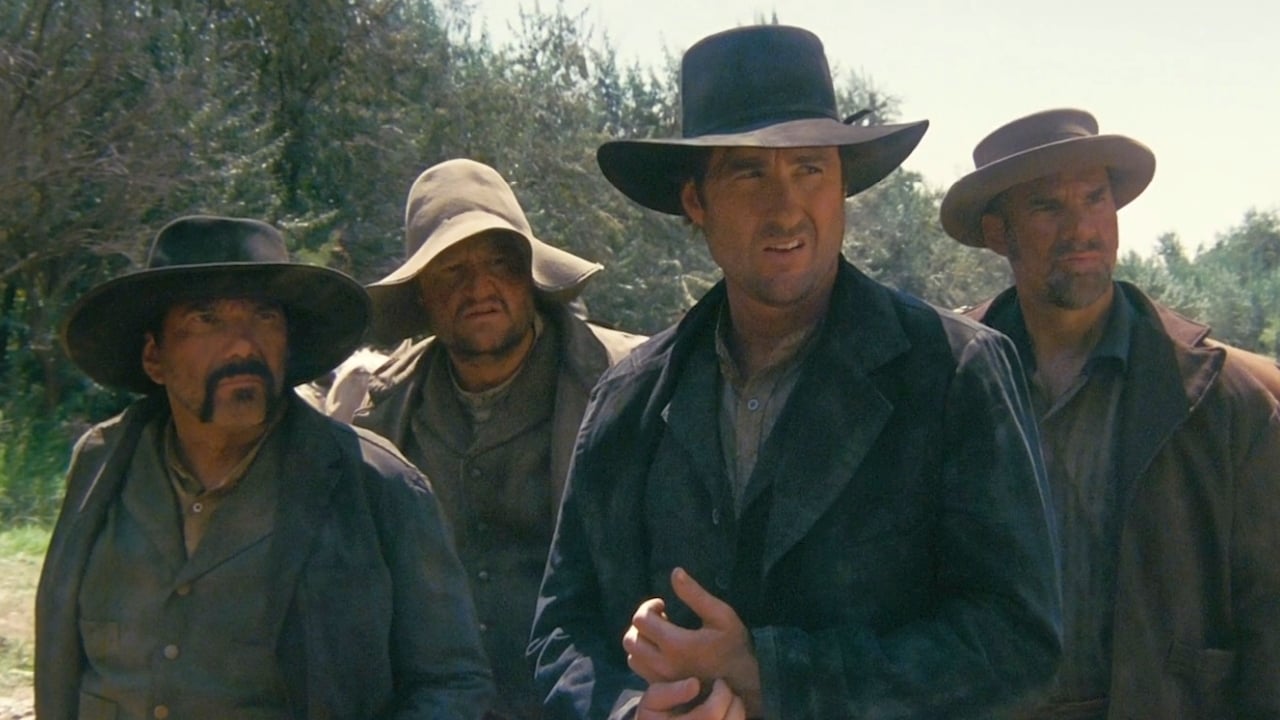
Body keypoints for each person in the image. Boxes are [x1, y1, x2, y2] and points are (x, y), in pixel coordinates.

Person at [528, 25, 1063, 720]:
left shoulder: (953, 372)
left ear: (842, 188)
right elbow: (561, 630)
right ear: (696, 202)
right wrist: (633, 710)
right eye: (748, 173)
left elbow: (1018, 640)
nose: (785, 208)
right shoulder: (628, 399)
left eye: (809, 169)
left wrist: (772, 674)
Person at [37, 215, 494, 719]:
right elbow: (59, 659)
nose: (243, 344)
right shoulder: (104, 465)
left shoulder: (377, 484)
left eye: (264, 317)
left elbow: (451, 683)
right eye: (206, 319)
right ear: (154, 357)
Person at [940, 108, 1280, 718]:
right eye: (1047, 206)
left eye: (1095, 199)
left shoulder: (1220, 401)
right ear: (998, 234)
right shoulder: (945, 380)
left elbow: (1270, 614)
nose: (1081, 229)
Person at [327, 158, 645, 719]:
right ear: (421, 293)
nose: (479, 288)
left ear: (529, 275)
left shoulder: (629, 385)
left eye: (500, 262)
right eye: (451, 270)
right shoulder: (382, 412)